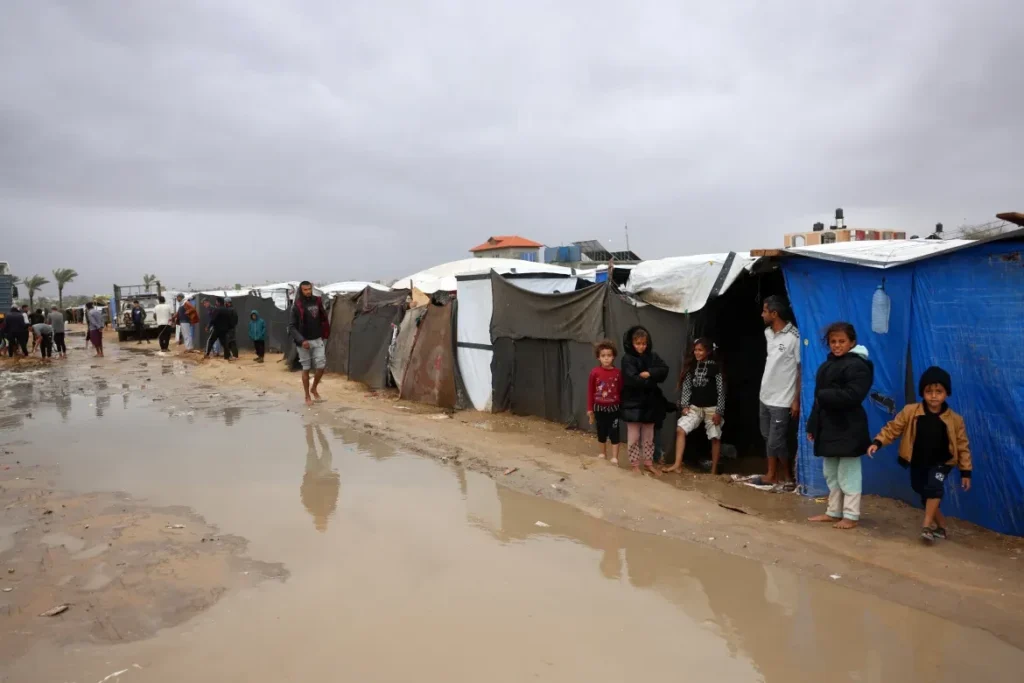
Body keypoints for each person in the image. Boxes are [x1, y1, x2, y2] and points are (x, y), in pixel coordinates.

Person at [868, 367, 972, 543]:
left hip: (942, 462)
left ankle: (926, 526)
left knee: (934, 488)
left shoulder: (955, 419)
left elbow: (962, 446)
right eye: (929, 391)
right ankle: (942, 526)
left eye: (939, 391)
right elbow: (893, 428)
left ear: (947, 393)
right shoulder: (910, 411)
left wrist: (966, 472)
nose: (934, 396)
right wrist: (878, 442)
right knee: (922, 491)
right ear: (922, 392)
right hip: (918, 461)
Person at [806, 322, 874, 529]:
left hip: (848, 427)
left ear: (852, 342)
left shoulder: (859, 366)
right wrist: (813, 424)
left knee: (848, 473)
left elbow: (854, 395)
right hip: (829, 426)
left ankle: (851, 515)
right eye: (833, 341)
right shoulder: (827, 366)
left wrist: (824, 395)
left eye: (841, 341)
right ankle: (834, 512)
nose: (836, 345)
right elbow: (817, 400)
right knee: (831, 472)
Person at [665, 338, 726, 475]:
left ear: (708, 351)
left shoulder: (715, 368)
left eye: (700, 350)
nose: (697, 353)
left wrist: (719, 411)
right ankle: (677, 464)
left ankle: (713, 471)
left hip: (712, 409)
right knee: (681, 429)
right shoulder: (692, 367)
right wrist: (685, 405)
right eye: (695, 350)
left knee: (715, 436)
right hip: (695, 408)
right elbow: (687, 388)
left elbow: (721, 391)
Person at [759, 295, 800, 491]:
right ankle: (779, 475)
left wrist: (796, 399)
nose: (762, 314)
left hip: (782, 399)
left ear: (774, 314)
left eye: (765, 311)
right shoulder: (768, 333)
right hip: (765, 395)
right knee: (769, 438)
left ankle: (778, 474)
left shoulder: (794, 337)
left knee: (775, 441)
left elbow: (800, 369)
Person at [620, 325, 669, 476]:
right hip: (632, 403)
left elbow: (664, 369)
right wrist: (652, 380)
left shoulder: (652, 356)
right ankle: (634, 464)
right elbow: (632, 379)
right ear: (631, 343)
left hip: (650, 403)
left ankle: (648, 463)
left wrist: (649, 373)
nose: (641, 347)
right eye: (638, 343)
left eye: (644, 343)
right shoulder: (627, 359)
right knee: (634, 436)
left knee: (649, 437)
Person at [288, 281, 331, 406]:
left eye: (309, 289)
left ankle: (314, 388)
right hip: (304, 342)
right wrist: (302, 340)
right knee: (306, 368)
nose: (308, 292)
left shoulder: (317, 301)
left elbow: (323, 318)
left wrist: (324, 332)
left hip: (317, 339)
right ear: (301, 291)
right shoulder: (297, 306)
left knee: (321, 366)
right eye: (305, 290)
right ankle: (307, 395)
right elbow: (291, 327)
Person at [587, 339, 622, 463]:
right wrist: (590, 409)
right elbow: (590, 391)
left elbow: (621, 390)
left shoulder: (618, 373)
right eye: (603, 356)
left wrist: (621, 406)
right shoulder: (594, 372)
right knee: (601, 431)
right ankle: (602, 453)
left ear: (613, 356)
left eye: (609, 355)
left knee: (614, 432)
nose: (606, 358)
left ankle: (615, 457)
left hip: (614, 409)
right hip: (599, 408)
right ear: (598, 357)